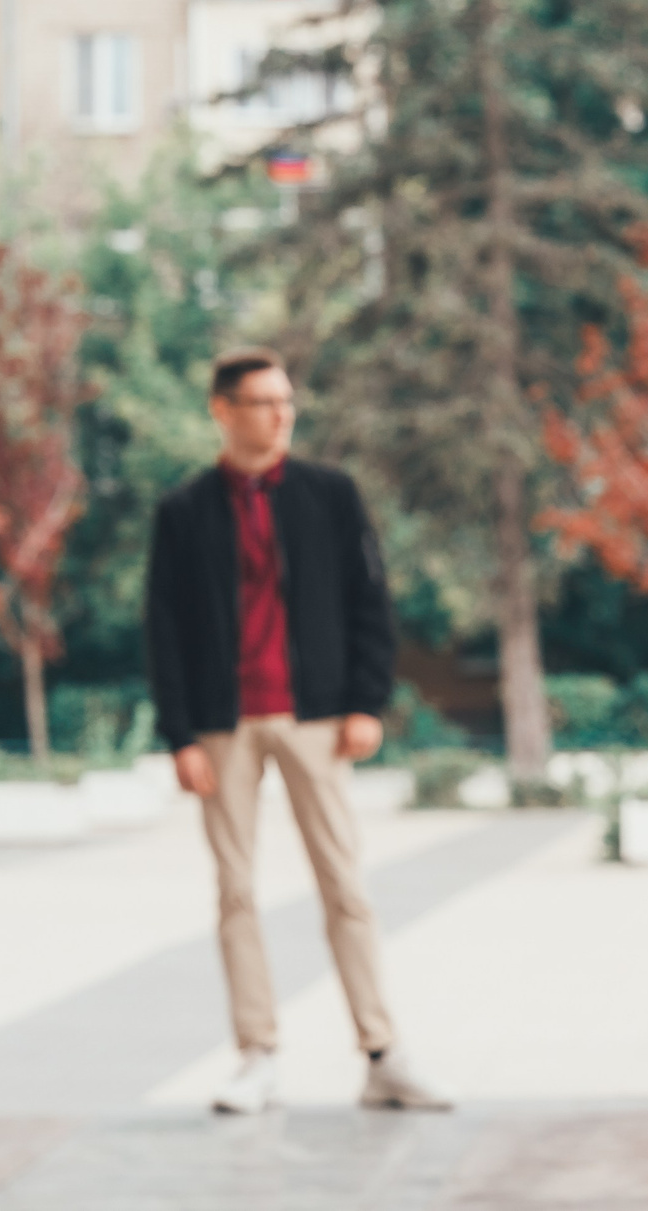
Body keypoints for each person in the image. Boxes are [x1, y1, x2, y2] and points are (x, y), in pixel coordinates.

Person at [144, 347, 450, 1115]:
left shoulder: (330, 495)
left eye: (287, 401)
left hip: (316, 716)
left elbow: (369, 602)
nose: (281, 415)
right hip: (223, 724)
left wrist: (365, 702)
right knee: (237, 892)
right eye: (263, 402)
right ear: (223, 409)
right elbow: (164, 629)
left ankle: (383, 1053)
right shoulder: (182, 512)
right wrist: (180, 733)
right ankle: (257, 1055)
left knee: (345, 885)